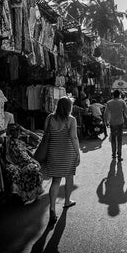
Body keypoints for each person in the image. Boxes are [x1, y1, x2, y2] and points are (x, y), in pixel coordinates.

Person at [41, 97, 80, 226]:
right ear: (69, 107)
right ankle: (67, 201)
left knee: (56, 180)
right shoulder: (71, 120)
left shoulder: (49, 118)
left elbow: (46, 134)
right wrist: (78, 153)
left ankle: (52, 208)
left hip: (53, 152)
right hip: (67, 153)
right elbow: (74, 137)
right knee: (69, 177)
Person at [104, 90, 127, 161]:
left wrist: (106, 122)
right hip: (120, 122)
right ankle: (119, 155)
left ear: (113, 95)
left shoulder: (109, 103)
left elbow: (105, 113)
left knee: (113, 139)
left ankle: (114, 154)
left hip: (112, 123)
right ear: (119, 95)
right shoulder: (122, 102)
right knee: (119, 139)